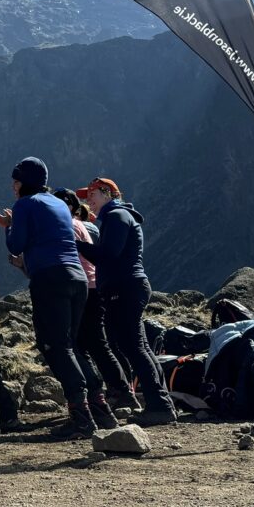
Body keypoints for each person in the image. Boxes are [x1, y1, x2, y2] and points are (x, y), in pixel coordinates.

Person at [0, 158, 104, 438]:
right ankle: (100, 406)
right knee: (70, 344)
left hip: (49, 278)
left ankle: (80, 416)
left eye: (16, 182)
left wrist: (8, 225)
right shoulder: (58, 203)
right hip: (77, 278)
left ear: (23, 183)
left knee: (54, 346)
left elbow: (16, 245)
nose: (13, 187)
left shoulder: (24, 205)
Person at [75, 177, 178, 426]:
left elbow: (109, 254)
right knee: (137, 345)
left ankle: (160, 406)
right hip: (128, 286)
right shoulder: (117, 217)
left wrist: (73, 244)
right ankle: (161, 403)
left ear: (107, 193)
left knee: (133, 347)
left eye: (92, 195)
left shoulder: (117, 217)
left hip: (125, 287)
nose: (88, 201)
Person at [54, 188, 134, 412]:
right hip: (92, 285)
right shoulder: (80, 224)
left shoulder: (67, 225)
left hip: (83, 288)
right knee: (94, 342)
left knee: (88, 343)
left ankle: (114, 391)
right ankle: (118, 390)